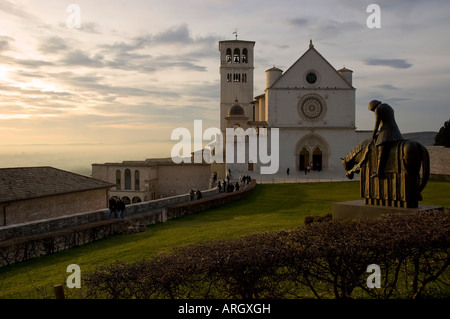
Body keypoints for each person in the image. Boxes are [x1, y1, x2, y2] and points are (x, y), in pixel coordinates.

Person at [368, 100, 404, 179]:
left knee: (382, 151)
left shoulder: (378, 109)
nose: (373, 112)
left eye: (372, 110)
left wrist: (373, 134)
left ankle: (379, 173)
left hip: (387, 132)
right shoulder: (388, 107)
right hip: (396, 132)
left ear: (374, 107)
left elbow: (377, 124)